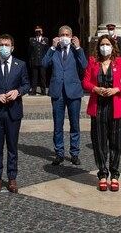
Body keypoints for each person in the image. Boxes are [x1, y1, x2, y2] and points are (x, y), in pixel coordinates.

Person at [0, 34, 30, 193]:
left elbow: (26, 84)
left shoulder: (20, 65)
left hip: (13, 112)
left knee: (12, 147)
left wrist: (18, 92)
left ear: (12, 47)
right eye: (1, 44)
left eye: (6, 45)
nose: (3, 47)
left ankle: (12, 178)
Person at [83, 35, 121, 191]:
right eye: (102, 44)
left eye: (107, 44)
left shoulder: (120, 62)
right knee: (99, 142)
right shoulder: (93, 62)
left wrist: (116, 89)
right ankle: (103, 173)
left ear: (113, 46)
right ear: (98, 47)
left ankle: (115, 175)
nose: (105, 47)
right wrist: (95, 89)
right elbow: (86, 81)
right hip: (98, 107)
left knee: (116, 143)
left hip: (115, 106)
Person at [40, 25, 87, 166]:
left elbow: (84, 65)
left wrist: (78, 48)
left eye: (67, 34)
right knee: (58, 125)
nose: (65, 37)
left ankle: (74, 153)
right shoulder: (54, 51)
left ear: (71, 37)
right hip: (57, 92)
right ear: (58, 36)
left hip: (73, 91)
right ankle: (59, 153)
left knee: (75, 124)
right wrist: (52, 48)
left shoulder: (76, 51)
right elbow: (44, 64)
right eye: (62, 34)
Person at [28, 26, 50, 95]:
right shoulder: (32, 39)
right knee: (34, 77)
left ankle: (43, 91)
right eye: (37, 31)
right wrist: (30, 60)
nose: (38, 32)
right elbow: (30, 51)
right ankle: (33, 90)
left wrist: (47, 60)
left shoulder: (45, 39)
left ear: (42, 32)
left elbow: (47, 50)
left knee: (43, 77)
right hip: (34, 61)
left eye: (39, 31)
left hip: (42, 61)